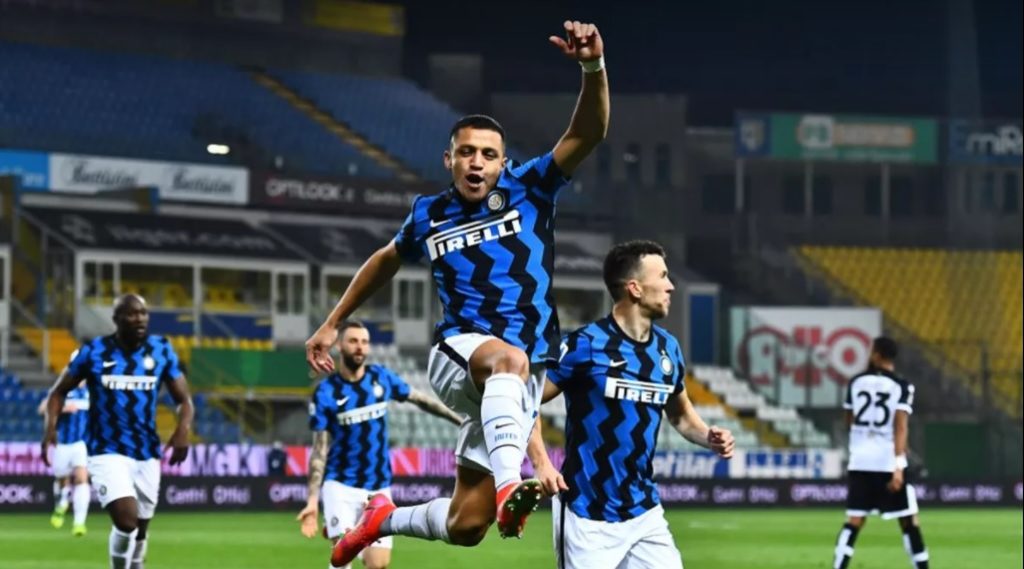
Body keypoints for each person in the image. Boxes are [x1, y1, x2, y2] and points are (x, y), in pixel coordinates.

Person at [304, 19, 609, 567]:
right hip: (461, 354)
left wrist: (592, 67)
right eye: (466, 152)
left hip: (513, 377)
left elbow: (588, 133)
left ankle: (380, 521)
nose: (477, 162)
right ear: (449, 160)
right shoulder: (429, 214)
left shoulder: (531, 188)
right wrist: (333, 321)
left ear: (503, 162)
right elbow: (387, 258)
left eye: (488, 154)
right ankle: (508, 487)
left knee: (466, 525)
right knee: (508, 360)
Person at [534, 240, 735, 569]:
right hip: (588, 514)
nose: (671, 286)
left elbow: (681, 416)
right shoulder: (585, 344)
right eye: (663, 276)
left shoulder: (668, 349)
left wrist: (708, 436)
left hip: (644, 512)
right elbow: (527, 400)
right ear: (635, 288)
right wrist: (542, 463)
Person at [42, 294, 193, 569]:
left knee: (141, 530)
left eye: (143, 313)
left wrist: (183, 428)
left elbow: (184, 400)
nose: (139, 319)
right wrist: (50, 427)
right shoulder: (94, 351)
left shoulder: (160, 350)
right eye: (132, 314)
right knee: (126, 521)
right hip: (106, 450)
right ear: (116, 319)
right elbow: (58, 392)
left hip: (147, 452)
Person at [296, 321, 463, 569]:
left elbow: (420, 399)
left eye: (364, 342)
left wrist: (459, 420)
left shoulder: (381, 377)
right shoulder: (326, 392)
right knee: (342, 557)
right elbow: (319, 450)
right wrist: (312, 500)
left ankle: (355, 537)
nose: (360, 347)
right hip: (340, 485)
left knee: (378, 565)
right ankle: (346, 535)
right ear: (340, 346)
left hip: (378, 487)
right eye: (353, 341)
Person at [832, 337, 929, 569]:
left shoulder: (856, 382)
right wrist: (899, 465)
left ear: (876, 354)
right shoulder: (902, 386)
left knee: (854, 520)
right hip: (887, 460)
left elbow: (849, 420)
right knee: (909, 521)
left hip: (860, 460)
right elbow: (900, 426)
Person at [38, 381, 91, 535]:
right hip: (62, 444)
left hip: (81, 443)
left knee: (82, 479)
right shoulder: (62, 390)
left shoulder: (91, 391)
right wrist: (63, 408)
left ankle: (79, 522)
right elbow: (42, 409)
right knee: (62, 479)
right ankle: (61, 503)